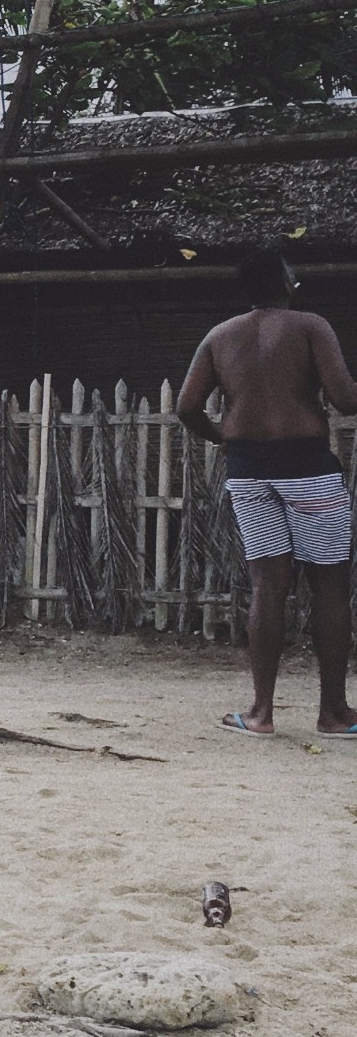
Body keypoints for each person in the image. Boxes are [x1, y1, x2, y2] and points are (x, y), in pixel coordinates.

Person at [177, 244, 357, 737]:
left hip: (248, 473)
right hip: (308, 470)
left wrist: (225, 435)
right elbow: (345, 399)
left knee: (267, 586)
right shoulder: (311, 327)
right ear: (284, 283)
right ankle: (334, 714)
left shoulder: (220, 336)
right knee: (329, 585)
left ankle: (260, 714)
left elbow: (188, 407)